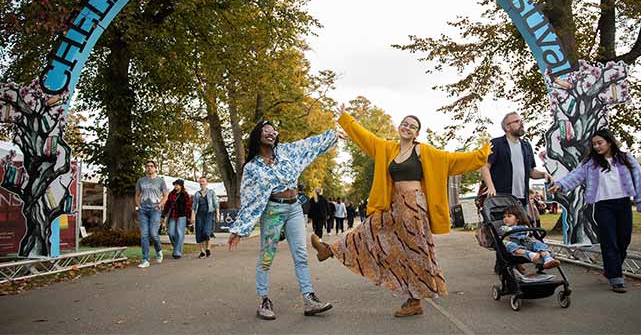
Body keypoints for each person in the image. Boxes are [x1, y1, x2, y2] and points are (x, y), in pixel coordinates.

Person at [311, 105, 491, 317]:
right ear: (399, 127)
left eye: (412, 126)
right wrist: (346, 119)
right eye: (405, 124)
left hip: (414, 206)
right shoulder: (388, 149)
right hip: (394, 204)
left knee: (415, 251)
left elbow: (453, 160)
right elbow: (365, 137)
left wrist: (481, 154)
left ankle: (414, 301)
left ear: (417, 133)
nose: (407, 128)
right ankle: (329, 250)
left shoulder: (424, 152)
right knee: (370, 230)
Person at [227, 120, 339, 320]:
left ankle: (309, 299)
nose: (271, 133)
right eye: (266, 131)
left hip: (295, 208)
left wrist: (333, 134)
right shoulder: (252, 167)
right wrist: (239, 229)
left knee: (301, 255)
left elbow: (310, 144)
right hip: (273, 211)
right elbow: (249, 198)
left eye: (273, 131)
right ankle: (263, 299)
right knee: (267, 257)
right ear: (257, 136)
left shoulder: (287, 153)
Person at [549, 129, 641, 293]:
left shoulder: (626, 158)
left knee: (624, 241)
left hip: (623, 204)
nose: (596, 146)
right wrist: (560, 185)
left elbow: (639, 179)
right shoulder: (590, 163)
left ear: (609, 142)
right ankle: (616, 279)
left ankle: (610, 269)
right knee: (609, 241)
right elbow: (574, 176)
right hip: (603, 207)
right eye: (594, 144)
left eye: (599, 143)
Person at [481, 112, 554, 208]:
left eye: (521, 120)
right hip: (501, 198)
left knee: (522, 223)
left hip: (522, 200)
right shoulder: (496, 144)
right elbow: (484, 167)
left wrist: (543, 174)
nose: (521, 123)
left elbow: (530, 172)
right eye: (517, 121)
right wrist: (491, 187)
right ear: (507, 127)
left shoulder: (526, 146)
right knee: (503, 223)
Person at [135, 160, 168, 268]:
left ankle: (158, 250)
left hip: (155, 209)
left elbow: (165, 195)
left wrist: (160, 205)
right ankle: (145, 259)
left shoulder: (160, 180)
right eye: (147, 166)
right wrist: (139, 206)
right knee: (144, 235)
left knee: (153, 234)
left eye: (151, 166)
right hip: (143, 209)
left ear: (155, 168)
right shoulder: (141, 180)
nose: (149, 168)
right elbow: (137, 195)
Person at [162, 179, 192, 259]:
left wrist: (189, 218)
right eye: (175, 184)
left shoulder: (185, 194)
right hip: (173, 215)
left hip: (182, 216)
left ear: (181, 186)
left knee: (179, 233)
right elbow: (167, 205)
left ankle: (177, 252)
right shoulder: (171, 194)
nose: (175, 186)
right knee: (171, 233)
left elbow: (189, 206)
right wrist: (163, 215)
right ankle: (177, 248)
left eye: (177, 184)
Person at [191, 176, 220, 258]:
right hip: (199, 215)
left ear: (206, 183)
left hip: (209, 214)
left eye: (203, 181)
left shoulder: (211, 192)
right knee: (199, 233)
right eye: (200, 182)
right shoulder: (197, 194)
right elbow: (193, 207)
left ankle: (208, 248)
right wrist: (192, 217)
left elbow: (216, 204)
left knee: (207, 232)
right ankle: (202, 252)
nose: (201, 183)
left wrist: (217, 214)